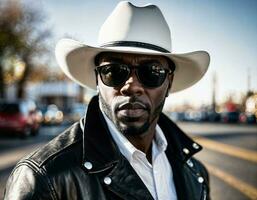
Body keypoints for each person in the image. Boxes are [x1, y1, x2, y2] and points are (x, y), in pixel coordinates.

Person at [4, 2, 210, 200]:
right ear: (97, 79)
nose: (132, 86)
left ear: (169, 82)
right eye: (114, 71)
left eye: (151, 72)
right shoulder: (44, 179)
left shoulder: (195, 174)